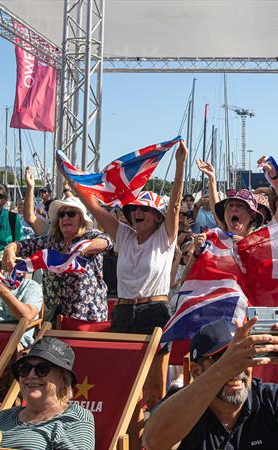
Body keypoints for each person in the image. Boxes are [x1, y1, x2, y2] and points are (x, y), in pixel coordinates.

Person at [75, 140, 187, 409]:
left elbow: (174, 205)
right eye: (134, 209)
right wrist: (73, 178)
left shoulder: (165, 237)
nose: (137, 212)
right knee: (122, 387)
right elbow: (94, 208)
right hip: (124, 312)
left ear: (157, 217)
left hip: (155, 312)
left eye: (145, 210)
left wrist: (180, 164)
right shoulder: (122, 234)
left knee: (153, 392)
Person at [143, 319, 278, 450]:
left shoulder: (272, 400)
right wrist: (224, 369)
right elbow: (154, 441)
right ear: (197, 371)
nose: (238, 368)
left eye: (246, 356)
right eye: (223, 357)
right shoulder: (185, 404)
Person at [2, 196, 112, 326]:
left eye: (71, 214)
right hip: (54, 317)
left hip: (86, 317)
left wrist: (81, 249)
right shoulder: (51, 241)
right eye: (61, 214)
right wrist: (10, 249)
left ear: (81, 219)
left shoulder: (89, 236)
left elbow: (106, 242)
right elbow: (22, 245)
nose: (65, 218)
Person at [0, 337, 95, 449]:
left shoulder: (74, 418)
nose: (31, 375)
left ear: (63, 380)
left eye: (42, 369)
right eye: (25, 369)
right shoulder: (1, 417)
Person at [0, 267, 43, 347]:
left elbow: (27, 316)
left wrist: (3, 292)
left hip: (15, 335)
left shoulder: (30, 286)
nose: (2, 270)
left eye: (10, 267)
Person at [21, 167, 50, 236]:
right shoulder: (50, 232)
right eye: (41, 192)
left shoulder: (51, 203)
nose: (65, 217)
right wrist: (31, 187)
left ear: (49, 193)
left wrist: (43, 214)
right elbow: (29, 217)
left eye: (71, 214)